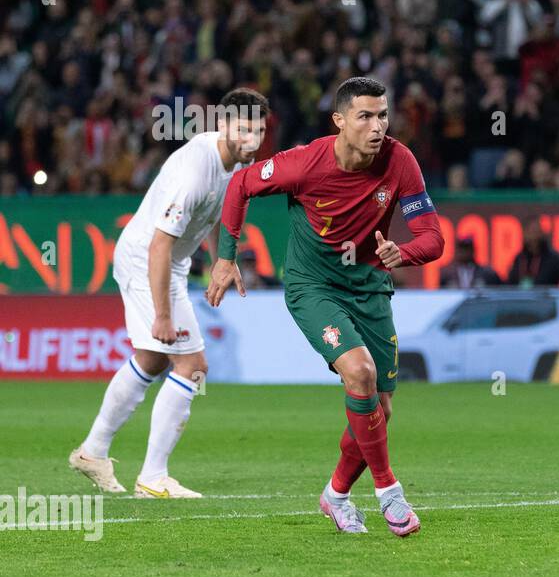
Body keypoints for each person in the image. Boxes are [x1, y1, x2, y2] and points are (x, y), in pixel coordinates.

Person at [206, 77, 446, 536]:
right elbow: (240, 184)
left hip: (371, 289)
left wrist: (405, 252)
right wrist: (225, 257)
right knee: (360, 374)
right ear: (339, 120)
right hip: (314, 288)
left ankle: (335, 495)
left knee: (381, 409)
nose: (378, 126)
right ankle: (388, 492)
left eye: (382, 115)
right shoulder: (305, 164)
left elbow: (433, 238)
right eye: (365, 116)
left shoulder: (400, 162)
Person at [69, 89, 268, 498]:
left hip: (168, 262)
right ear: (225, 126)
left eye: (260, 131)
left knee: (154, 358)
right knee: (192, 364)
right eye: (246, 130)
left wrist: (222, 260)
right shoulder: (194, 171)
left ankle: (92, 452)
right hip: (147, 260)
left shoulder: (235, 165)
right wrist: (162, 316)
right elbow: (160, 245)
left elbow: (225, 210)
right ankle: (153, 477)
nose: (254, 139)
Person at [507, 218, 559, 286]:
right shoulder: (519, 259)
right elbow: (509, 286)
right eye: (530, 231)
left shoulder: (554, 259)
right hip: (522, 298)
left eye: (536, 231)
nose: (533, 236)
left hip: (546, 298)